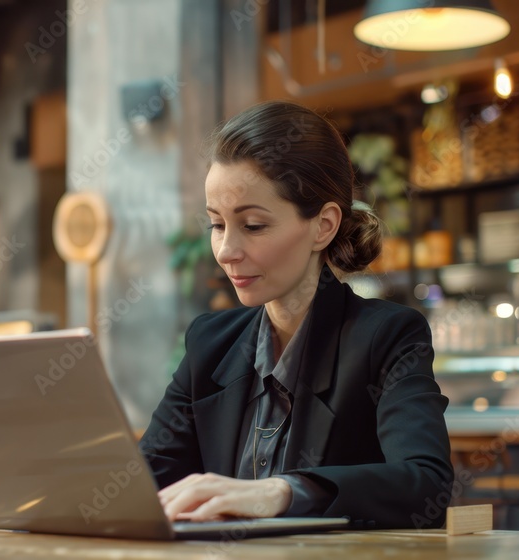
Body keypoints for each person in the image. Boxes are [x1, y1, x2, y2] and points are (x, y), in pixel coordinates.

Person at [138, 101, 453, 529]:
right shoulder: (210, 342)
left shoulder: (388, 336)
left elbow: (425, 484)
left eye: (252, 225)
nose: (227, 251)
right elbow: (142, 484)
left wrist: (279, 491)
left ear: (323, 226)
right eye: (216, 224)